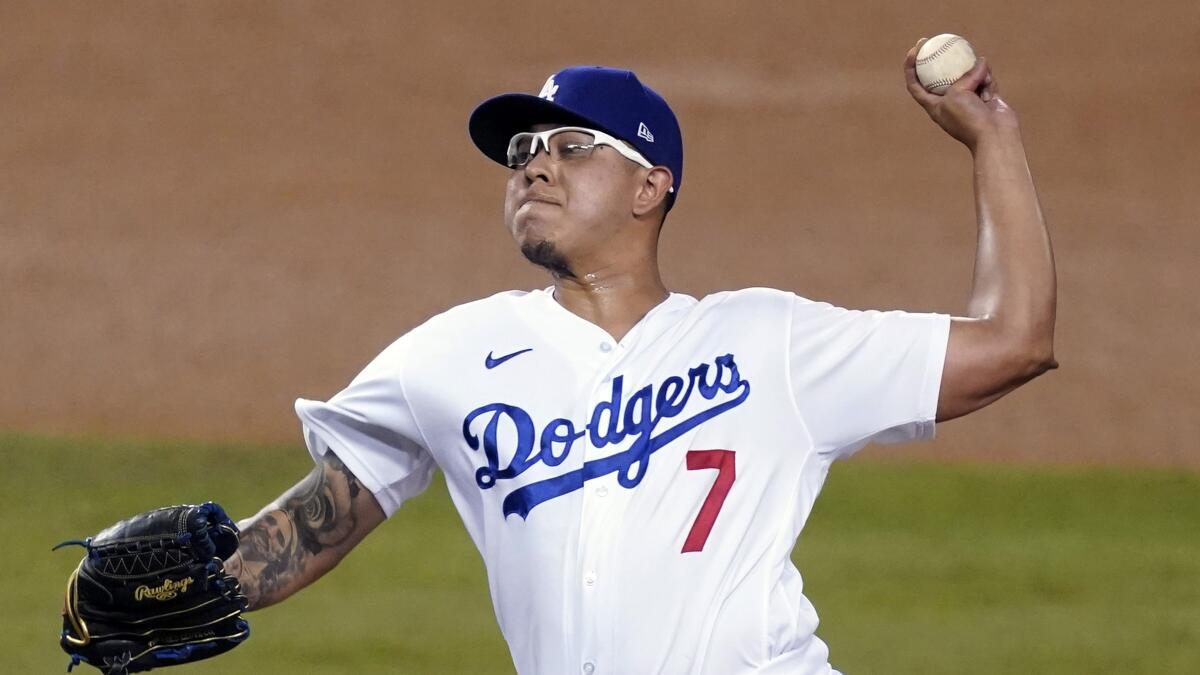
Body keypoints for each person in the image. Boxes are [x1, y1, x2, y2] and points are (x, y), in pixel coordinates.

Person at [224, 42, 1057, 675]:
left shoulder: (769, 342)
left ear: (650, 186)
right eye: (522, 153)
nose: (534, 165)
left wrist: (993, 139)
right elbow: (314, 521)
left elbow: (1013, 338)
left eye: (571, 145)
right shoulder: (447, 356)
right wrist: (180, 589)